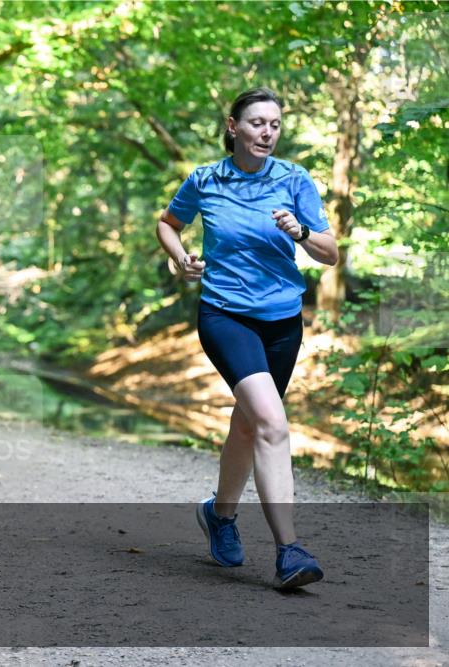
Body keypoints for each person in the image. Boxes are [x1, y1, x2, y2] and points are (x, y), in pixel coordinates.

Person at [156, 87, 338, 589]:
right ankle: (290, 551)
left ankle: (220, 514)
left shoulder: (294, 180)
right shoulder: (206, 180)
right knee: (272, 422)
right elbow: (168, 223)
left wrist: (299, 232)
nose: (267, 132)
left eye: (275, 125)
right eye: (257, 123)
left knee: (247, 424)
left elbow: (330, 253)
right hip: (226, 315)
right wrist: (181, 258)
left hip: (282, 321)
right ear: (233, 126)